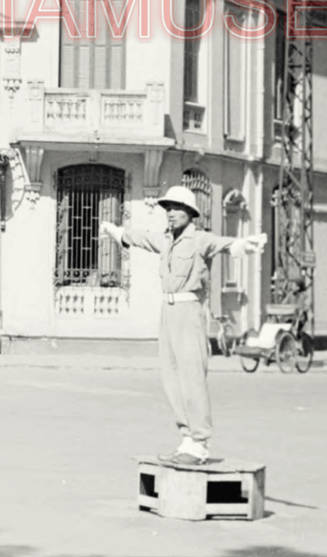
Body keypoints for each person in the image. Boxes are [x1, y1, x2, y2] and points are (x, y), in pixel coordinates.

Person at [100, 185, 266, 466]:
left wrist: (245, 244)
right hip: (168, 310)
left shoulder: (199, 239)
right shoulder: (166, 240)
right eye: (168, 209)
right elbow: (141, 238)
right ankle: (186, 438)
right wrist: (115, 231)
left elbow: (223, 244)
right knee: (171, 377)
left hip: (189, 310)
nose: (171, 213)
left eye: (177, 208)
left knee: (192, 376)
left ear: (190, 212)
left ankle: (200, 443)